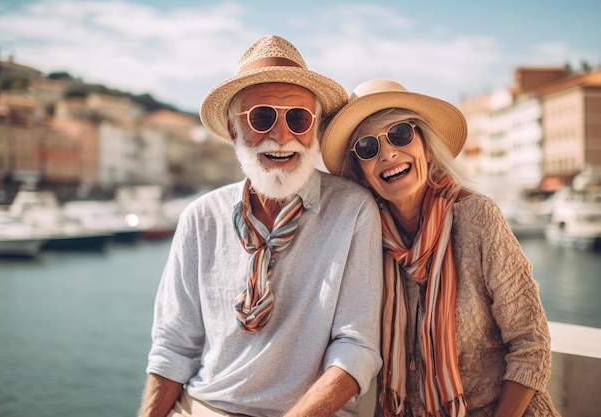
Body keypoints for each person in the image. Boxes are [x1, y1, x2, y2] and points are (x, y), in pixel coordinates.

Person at [138, 36, 384, 417]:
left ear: (315, 130)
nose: (282, 136)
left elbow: (357, 347)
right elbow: (173, 348)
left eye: (298, 118)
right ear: (234, 131)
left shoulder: (352, 211)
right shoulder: (200, 217)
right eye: (263, 117)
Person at [320, 79, 560, 417]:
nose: (388, 153)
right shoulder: (365, 240)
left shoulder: (478, 218)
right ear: (360, 173)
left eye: (400, 134)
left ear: (427, 147)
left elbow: (531, 346)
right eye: (368, 147)